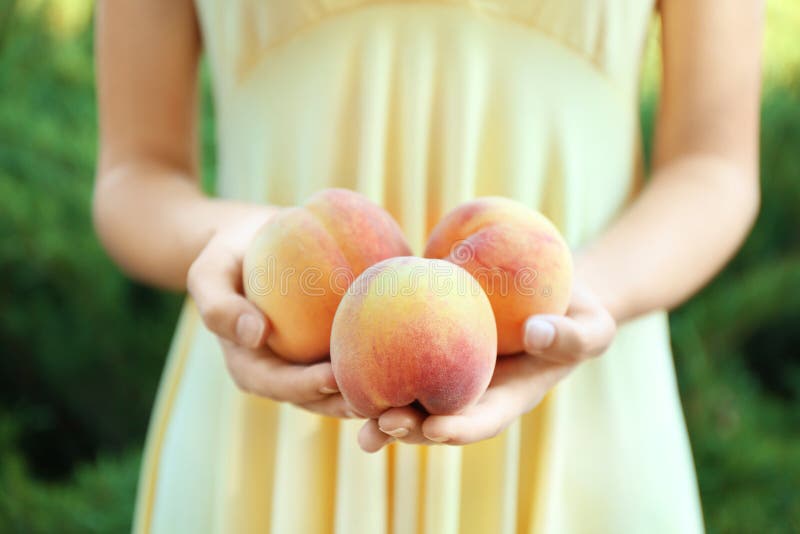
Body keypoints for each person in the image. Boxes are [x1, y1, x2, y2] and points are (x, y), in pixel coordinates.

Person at [93, 1, 762, 532]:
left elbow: (716, 166)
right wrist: (240, 240)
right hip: (271, 399)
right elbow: (135, 173)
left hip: (575, 394)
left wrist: (593, 291)